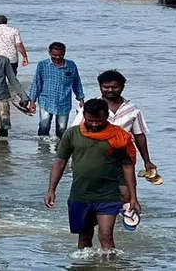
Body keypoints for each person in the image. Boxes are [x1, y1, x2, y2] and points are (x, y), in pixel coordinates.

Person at [45, 99, 141, 251]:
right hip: (80, 195)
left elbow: (128, 167)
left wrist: (133, 198)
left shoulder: (119, 136)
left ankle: (110, 267)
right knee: (84, 238)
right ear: (84, 115)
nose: (95, 124)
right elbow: (60, 162)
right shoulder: (72, 134)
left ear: (106, 116)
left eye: (99, 121)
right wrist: (51, 189)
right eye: (90, 121)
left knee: (106, 237)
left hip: (108, 195)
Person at [71, 70, 157, 201]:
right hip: (94, 156)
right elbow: (74, 132)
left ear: (122, 87)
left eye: (115, 87)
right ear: (100, 87)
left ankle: (123, 215)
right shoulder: (90, 107)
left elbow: (139, 136)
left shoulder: (133, 110)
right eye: (106, 87)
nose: (110, 90)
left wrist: (147, 161)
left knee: (126, 190)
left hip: (122, 156)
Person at [28, 42, 84, 138]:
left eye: (60, 55)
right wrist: (32, 101)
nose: (57, 57)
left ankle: (60, 149)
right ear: (49, 53)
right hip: (46, 100)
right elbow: (36, 83)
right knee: (44, 126)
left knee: (62, 129)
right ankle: (42, 150)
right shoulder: (42, 65)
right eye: (54, 55)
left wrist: (81, 99)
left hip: (64, 101)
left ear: (64, 53)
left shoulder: (71, 65)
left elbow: (76, 83)